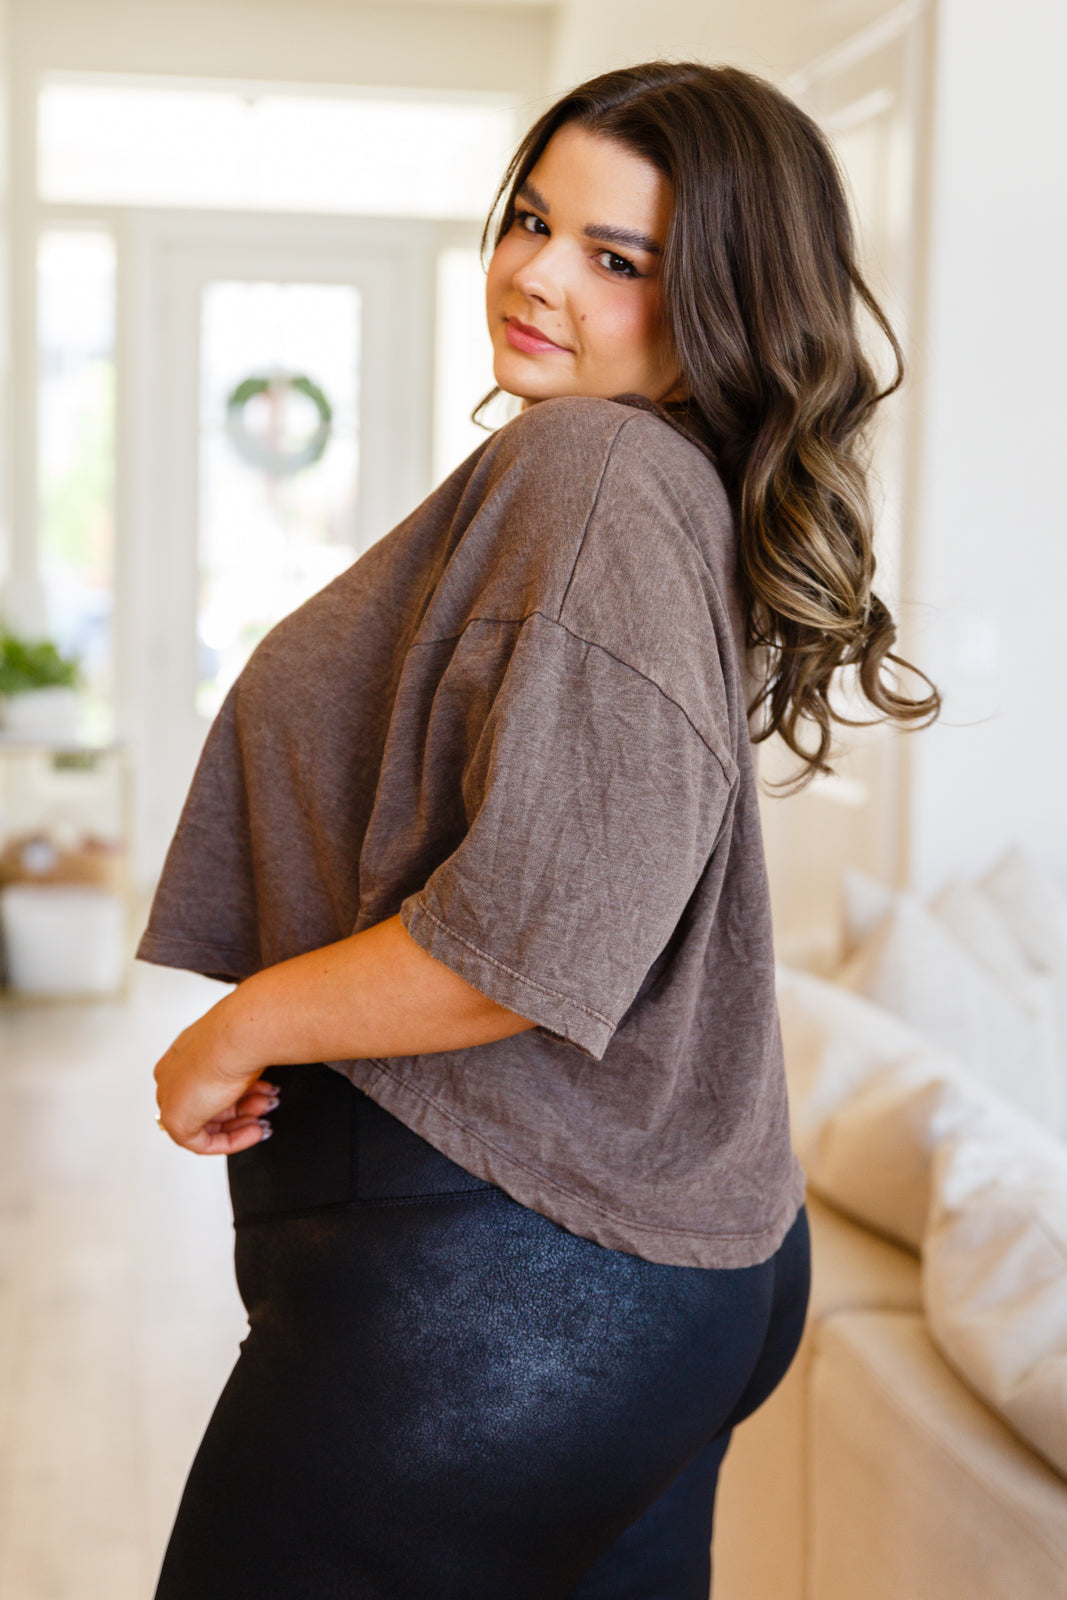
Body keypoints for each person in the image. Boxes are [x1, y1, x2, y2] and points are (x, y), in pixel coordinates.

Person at [142, 61, 939, 1600]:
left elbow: (529, 939)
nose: (536, 274)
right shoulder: (668, 480)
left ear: (723, 300)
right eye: (531, 219)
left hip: (506, 1268)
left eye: (615, 257)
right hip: (655, 1273)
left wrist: (239, 1025)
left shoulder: (594, 468)